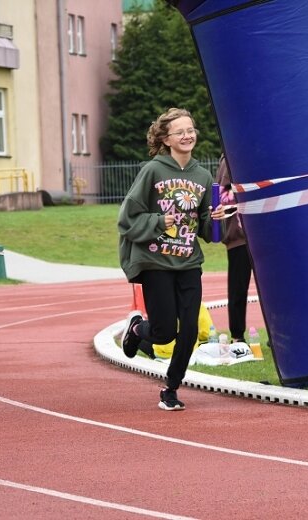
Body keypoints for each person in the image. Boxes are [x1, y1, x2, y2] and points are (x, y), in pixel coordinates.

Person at [118, 107, 227, 411]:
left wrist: (216, 218)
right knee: (165, 331)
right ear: (166, 139)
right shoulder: (153, 171)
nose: (187, 136)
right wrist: (159, 222)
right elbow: (128, 217)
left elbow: (207, 231)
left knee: (190, 329)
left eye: (190, 130)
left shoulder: (203, 176)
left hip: (189, 262)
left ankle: (171, 387)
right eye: (180, 131)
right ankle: (139, 329)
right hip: (157, 264)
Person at [216, 153, 253, 344]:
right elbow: (224, 194)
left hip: (263, 235)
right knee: (238, 288)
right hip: (239, 236)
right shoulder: (229, 159)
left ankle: (278, 335)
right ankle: (237, 336)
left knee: (275, 288)